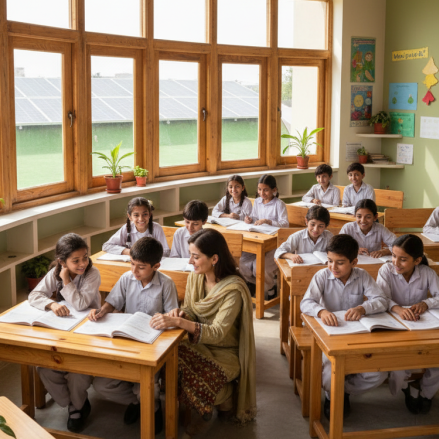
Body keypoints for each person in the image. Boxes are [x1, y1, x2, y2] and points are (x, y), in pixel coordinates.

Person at [149, 228, 256, 435]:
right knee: (168, 360)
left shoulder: (233, 289)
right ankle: (204, 405)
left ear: (214, 258)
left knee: (197, 375)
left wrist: (179, 323)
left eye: (196, 256)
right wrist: (181, 313)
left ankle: (224, 397)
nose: (190, 261)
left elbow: (217, 332)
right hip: (198, 343)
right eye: (191, 255)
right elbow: (190, 310)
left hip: (226, 352)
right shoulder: (196, 277)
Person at [88, 237, 178, 434]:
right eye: (132, 264)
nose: (134, 271)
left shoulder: (166, 284)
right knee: (102, 385)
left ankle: (153, 407)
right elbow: (112, 302)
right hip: (127, 339)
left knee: (145, 386)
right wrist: (102, 311)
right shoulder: (126, 278)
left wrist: (165, 319)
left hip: (152, 343)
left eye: (141, 267)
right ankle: (139, 403)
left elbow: (171, 316)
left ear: (156, 266)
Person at [300, 234, 388, 419]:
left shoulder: (362, 276)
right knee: (327, 364)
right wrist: (322, 312)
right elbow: (306, 302)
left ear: (354, 262)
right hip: (328, 334)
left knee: (378, 373)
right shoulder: (322, 275)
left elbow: (381, 300)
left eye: (340, 263)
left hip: (356, 332)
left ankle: (342, 390)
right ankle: (332, 396)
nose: (333, 267)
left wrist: (362, 308)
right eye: (330, 261)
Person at [30, 234, 101, 433]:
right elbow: (34, 295)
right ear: (62, 261)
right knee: (44, 369)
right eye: (75, 260)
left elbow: (80, 305)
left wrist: (65, 279)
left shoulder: (92, 273)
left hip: (88, 332)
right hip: (63, 331)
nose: (82, 263)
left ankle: (76, 408)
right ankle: (75, 404)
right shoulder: (55, 271)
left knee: (77, 373)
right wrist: (51, 303)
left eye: (85, 257)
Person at [377, 234, 439, 415]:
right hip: (394, 325)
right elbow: (380, 299)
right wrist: (397, 309)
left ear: (417, 260)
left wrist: (427, 303)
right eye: (394, 256)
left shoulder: (426, 272)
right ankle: (406, 387)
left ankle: (426, 392)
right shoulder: (386, 270)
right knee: (399, 363)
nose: (396, 262)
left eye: (403, 259)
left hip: (421, 326)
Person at [239, 174, 289, 299]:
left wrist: (268, 221)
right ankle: (256, 284)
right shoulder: (257, 202)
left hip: (275, 243)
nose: (262, 193)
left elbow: (285, 225)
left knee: (260, 267)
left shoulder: (279, 204)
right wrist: (249, 219)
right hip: (259, 239)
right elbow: (255, 218)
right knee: (241, 262)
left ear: (274, 190)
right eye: (260, 189)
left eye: (266, 190)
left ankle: (269, 287)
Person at [103, 197, 169, 257]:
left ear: (150, 215)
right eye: (136, 215)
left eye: (145, 214)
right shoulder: (126, 228)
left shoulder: (156, 228)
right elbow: (107, 246)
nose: (141, 219)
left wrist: (148, 254)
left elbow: (165, 252)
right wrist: (130, 252)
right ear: (130, 217)